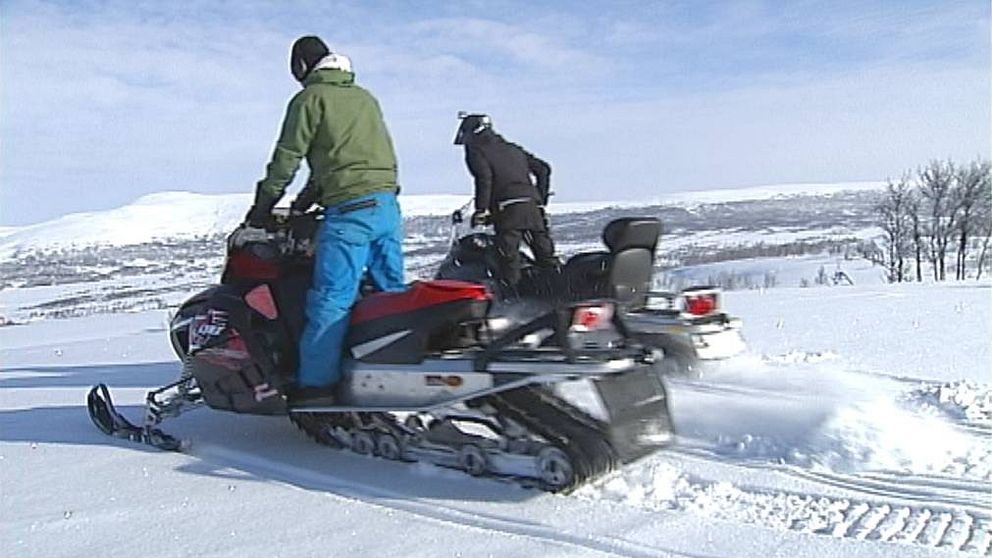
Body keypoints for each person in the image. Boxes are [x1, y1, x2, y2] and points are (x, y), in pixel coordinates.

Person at [246, 35, 405, 402]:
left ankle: (316, 388)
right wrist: (304, 202)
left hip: (351, 211)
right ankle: (393, 370)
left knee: (331, 300)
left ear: (301, 67)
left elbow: (288, 157)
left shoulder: (310, 99)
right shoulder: (365, 98)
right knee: (390, 293)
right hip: (387, 206)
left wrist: (264, 204)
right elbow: (342, 157)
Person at [454, 113, 557, 287]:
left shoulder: (476, 150)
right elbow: (543, 169)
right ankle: (557, 291)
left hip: (507, 209)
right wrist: (540, 197)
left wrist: (481, 210)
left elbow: (484, 178)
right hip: (532, 207)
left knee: (508, 259)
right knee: (545, 255)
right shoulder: (513, 149)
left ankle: (512, 303)